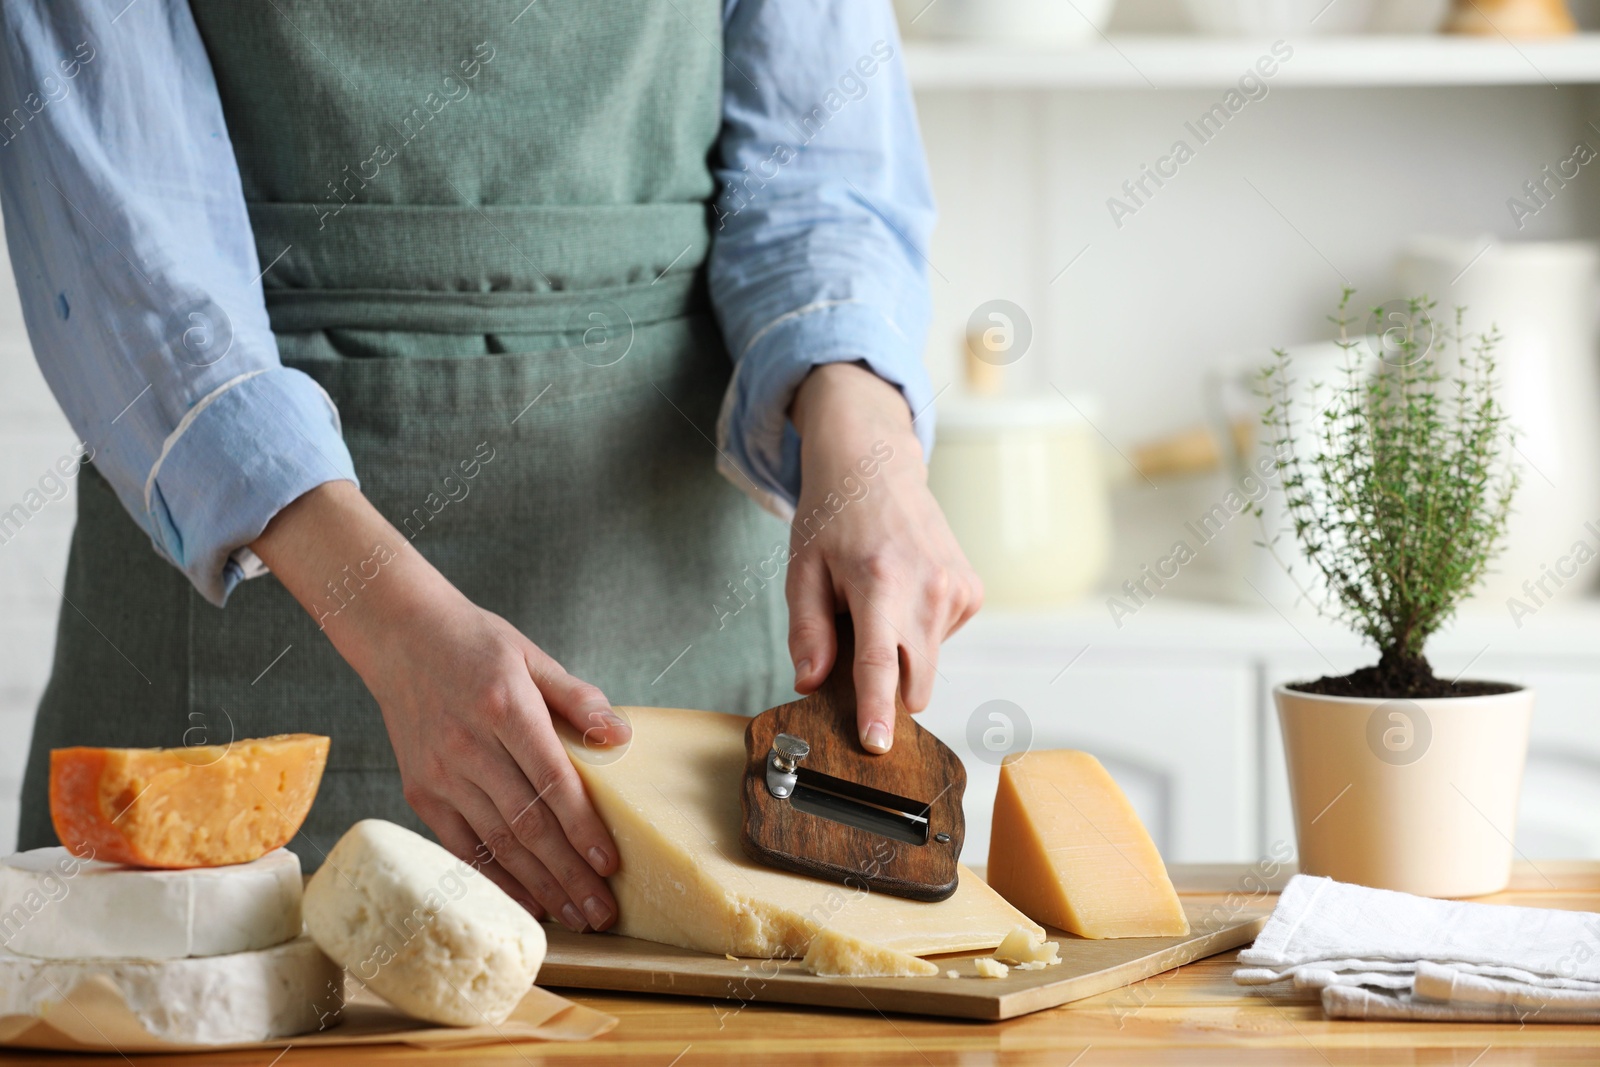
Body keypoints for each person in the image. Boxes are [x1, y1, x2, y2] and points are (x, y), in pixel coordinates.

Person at [1, 0, 979, 935]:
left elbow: (822, 178)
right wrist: (387, 621)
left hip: (688, 639)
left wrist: (869, 447)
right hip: (249, 664)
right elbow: (129, 255)